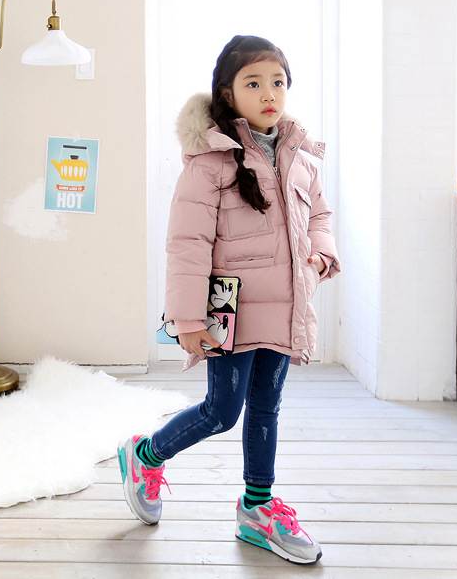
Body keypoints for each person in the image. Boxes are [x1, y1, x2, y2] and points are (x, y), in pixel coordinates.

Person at [118, 35, 340, 564]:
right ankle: (146, 454)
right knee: (222, 411)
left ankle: (257, 510)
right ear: (228, 93)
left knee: (266, 408)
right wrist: (187, 318)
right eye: (254, 83)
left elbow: (320, 217)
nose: (269, 93)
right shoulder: (209, 163)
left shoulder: (301, 158)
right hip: (230, 312)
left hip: (286, 308)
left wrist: (321, 258)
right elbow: (187, 243)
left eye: (278, 82)